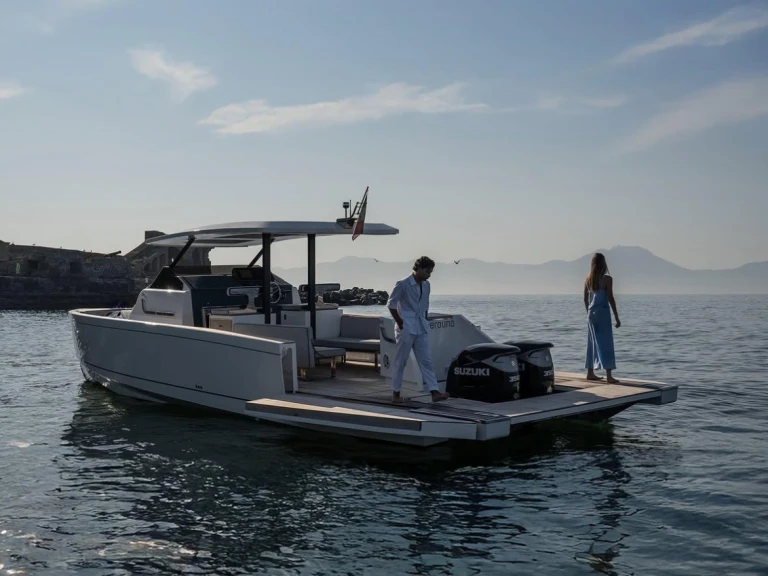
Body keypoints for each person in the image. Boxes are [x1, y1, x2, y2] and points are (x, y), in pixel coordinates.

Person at [387, 256, 450, 404]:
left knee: (426, 361)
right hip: (406, 327)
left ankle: (434, 392)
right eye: (428, 271)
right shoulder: (403, 284)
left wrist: (425, 321)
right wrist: (400, 323)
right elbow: (391, 304)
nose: (429, 274)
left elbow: (424, 307)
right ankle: (396, 394)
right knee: (400, 361)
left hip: (421, 326)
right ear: (420, 269)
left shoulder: (426, 285)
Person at [583, 252, 621, 383]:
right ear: (603, 264)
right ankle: (609, 376)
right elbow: (610, 298)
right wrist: (616, 316)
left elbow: (585, 299)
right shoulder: (607, 279)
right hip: (603, 313)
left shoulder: (588, 278)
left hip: (591, 313)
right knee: (606, 343)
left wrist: (588, 313)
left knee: (592, 343)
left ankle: (590, 372)